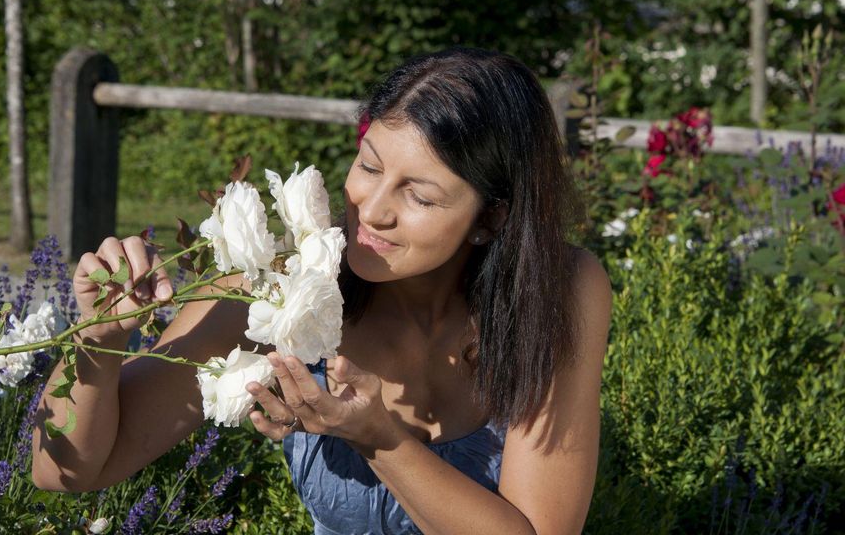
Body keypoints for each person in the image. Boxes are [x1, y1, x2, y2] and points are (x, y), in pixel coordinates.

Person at [32, 47, 612, 535]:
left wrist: (377, 437)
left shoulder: (558, 291)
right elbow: (65, 471)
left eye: (420, 196)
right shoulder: (277, 282)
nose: (371, 210)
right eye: (369, 165)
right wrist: (98, 340)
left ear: (491, 219)